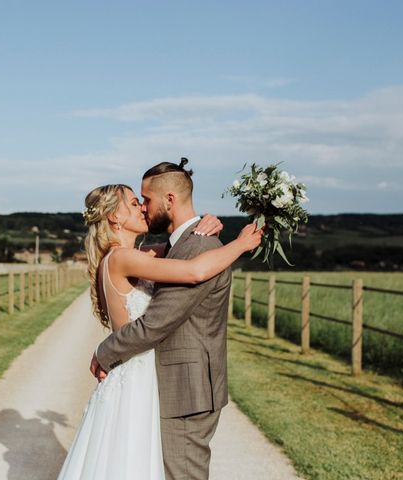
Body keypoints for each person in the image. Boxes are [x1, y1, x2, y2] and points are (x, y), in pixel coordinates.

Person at [58, 161, 262, 480]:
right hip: (137, 377)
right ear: (115, 217)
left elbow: (182, 252)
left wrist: (206, 225)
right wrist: (241, 244)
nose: (142, 208)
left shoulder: (143, 255)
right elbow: (192, 271)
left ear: (168, 199)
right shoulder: (123, 258)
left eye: (144, 201)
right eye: (135, 203)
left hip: (151, 380)